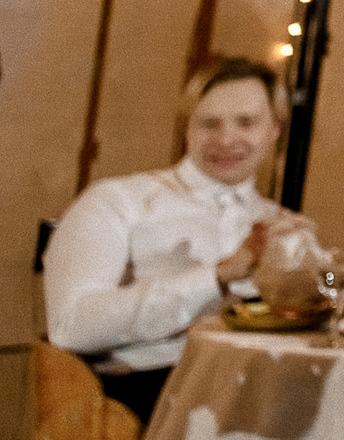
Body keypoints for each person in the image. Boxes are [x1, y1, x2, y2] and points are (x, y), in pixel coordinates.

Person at [45, 57, 300, 420]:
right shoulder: (117, 200)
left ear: (274, 128)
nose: (226, 139)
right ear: (188, 128)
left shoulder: (280, 223)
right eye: (209, 123)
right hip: (146, 395)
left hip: (261, 391)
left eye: (246, 123)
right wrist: (219, 275)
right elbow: (71, 326)